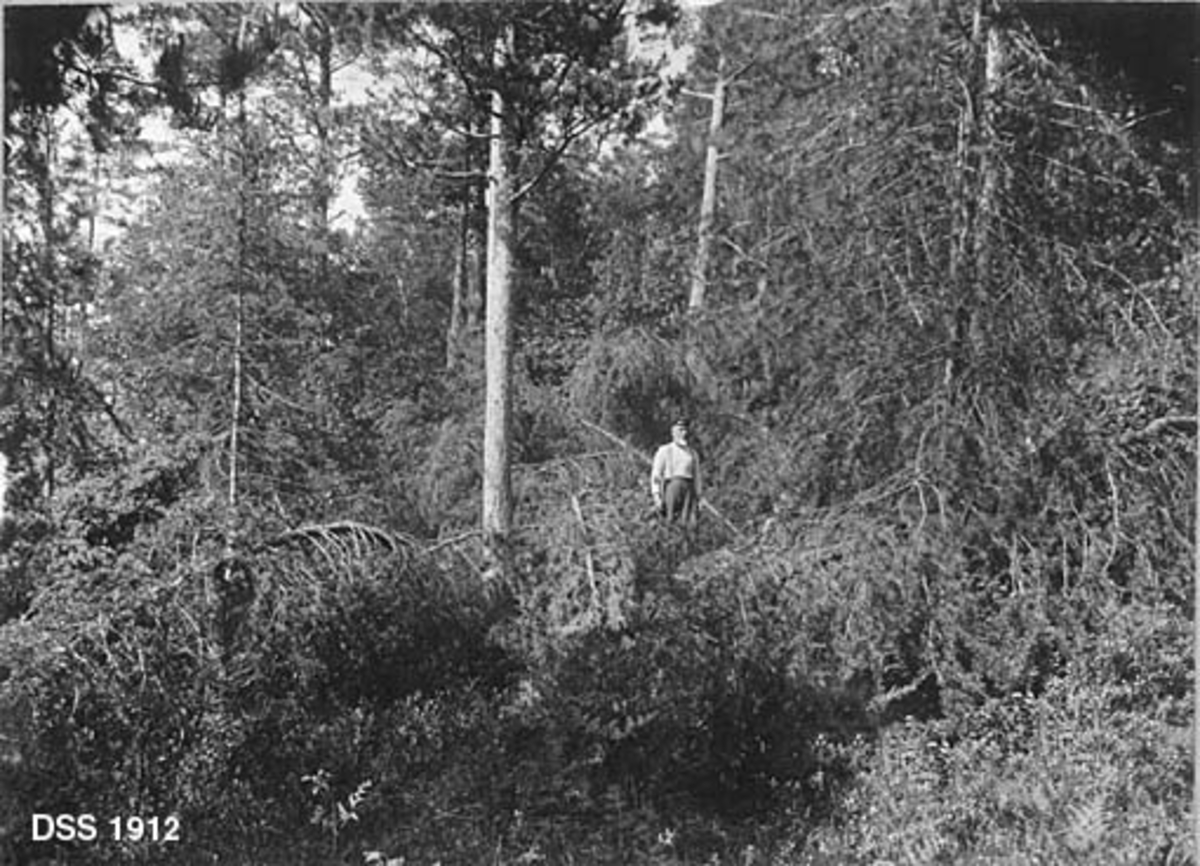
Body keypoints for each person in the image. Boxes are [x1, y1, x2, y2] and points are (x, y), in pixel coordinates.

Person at [650, 418, 702, 526]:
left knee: (687, 523)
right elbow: (656, 474)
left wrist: (698, 497)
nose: (684, 433)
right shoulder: (665, 450)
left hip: (688, 489)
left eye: (685, 430)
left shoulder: (692, 453)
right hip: (671, 487)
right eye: (680, 430)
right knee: (670, 520)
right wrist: (656, 495)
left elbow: (697, 477)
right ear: (673, 432)